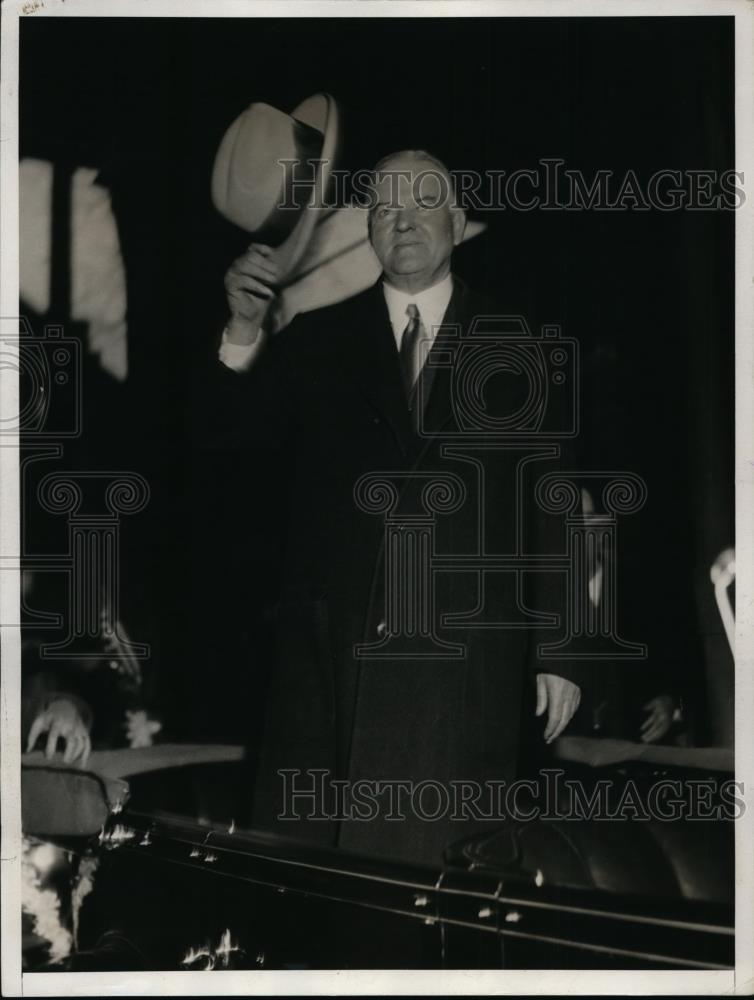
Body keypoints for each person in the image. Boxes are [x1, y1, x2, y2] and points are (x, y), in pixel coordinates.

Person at [209, 150, 588, 863]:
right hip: (331, 669)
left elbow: (557, 504)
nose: (402, 219)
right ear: (369, 232)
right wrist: (242, 334)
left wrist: (563, 650)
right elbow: (232, 460)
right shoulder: (314, 340)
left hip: (465, 667)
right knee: (325, 901)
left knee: (441, 895)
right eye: (383, 208)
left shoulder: (522, 343)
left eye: (421, 201)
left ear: (456, 218)